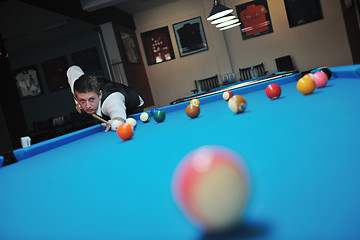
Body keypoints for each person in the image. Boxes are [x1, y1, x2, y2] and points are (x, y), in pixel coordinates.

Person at [67, 65, 144, 132]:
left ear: (100, 94)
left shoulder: (112, 100)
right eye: (82, 100)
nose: (88, 106)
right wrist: (78, 103)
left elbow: (118, 116)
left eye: (91, 99)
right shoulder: (77, 85)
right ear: (76, 97)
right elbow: (72, 69)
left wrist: (116, 121)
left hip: (133, 107)